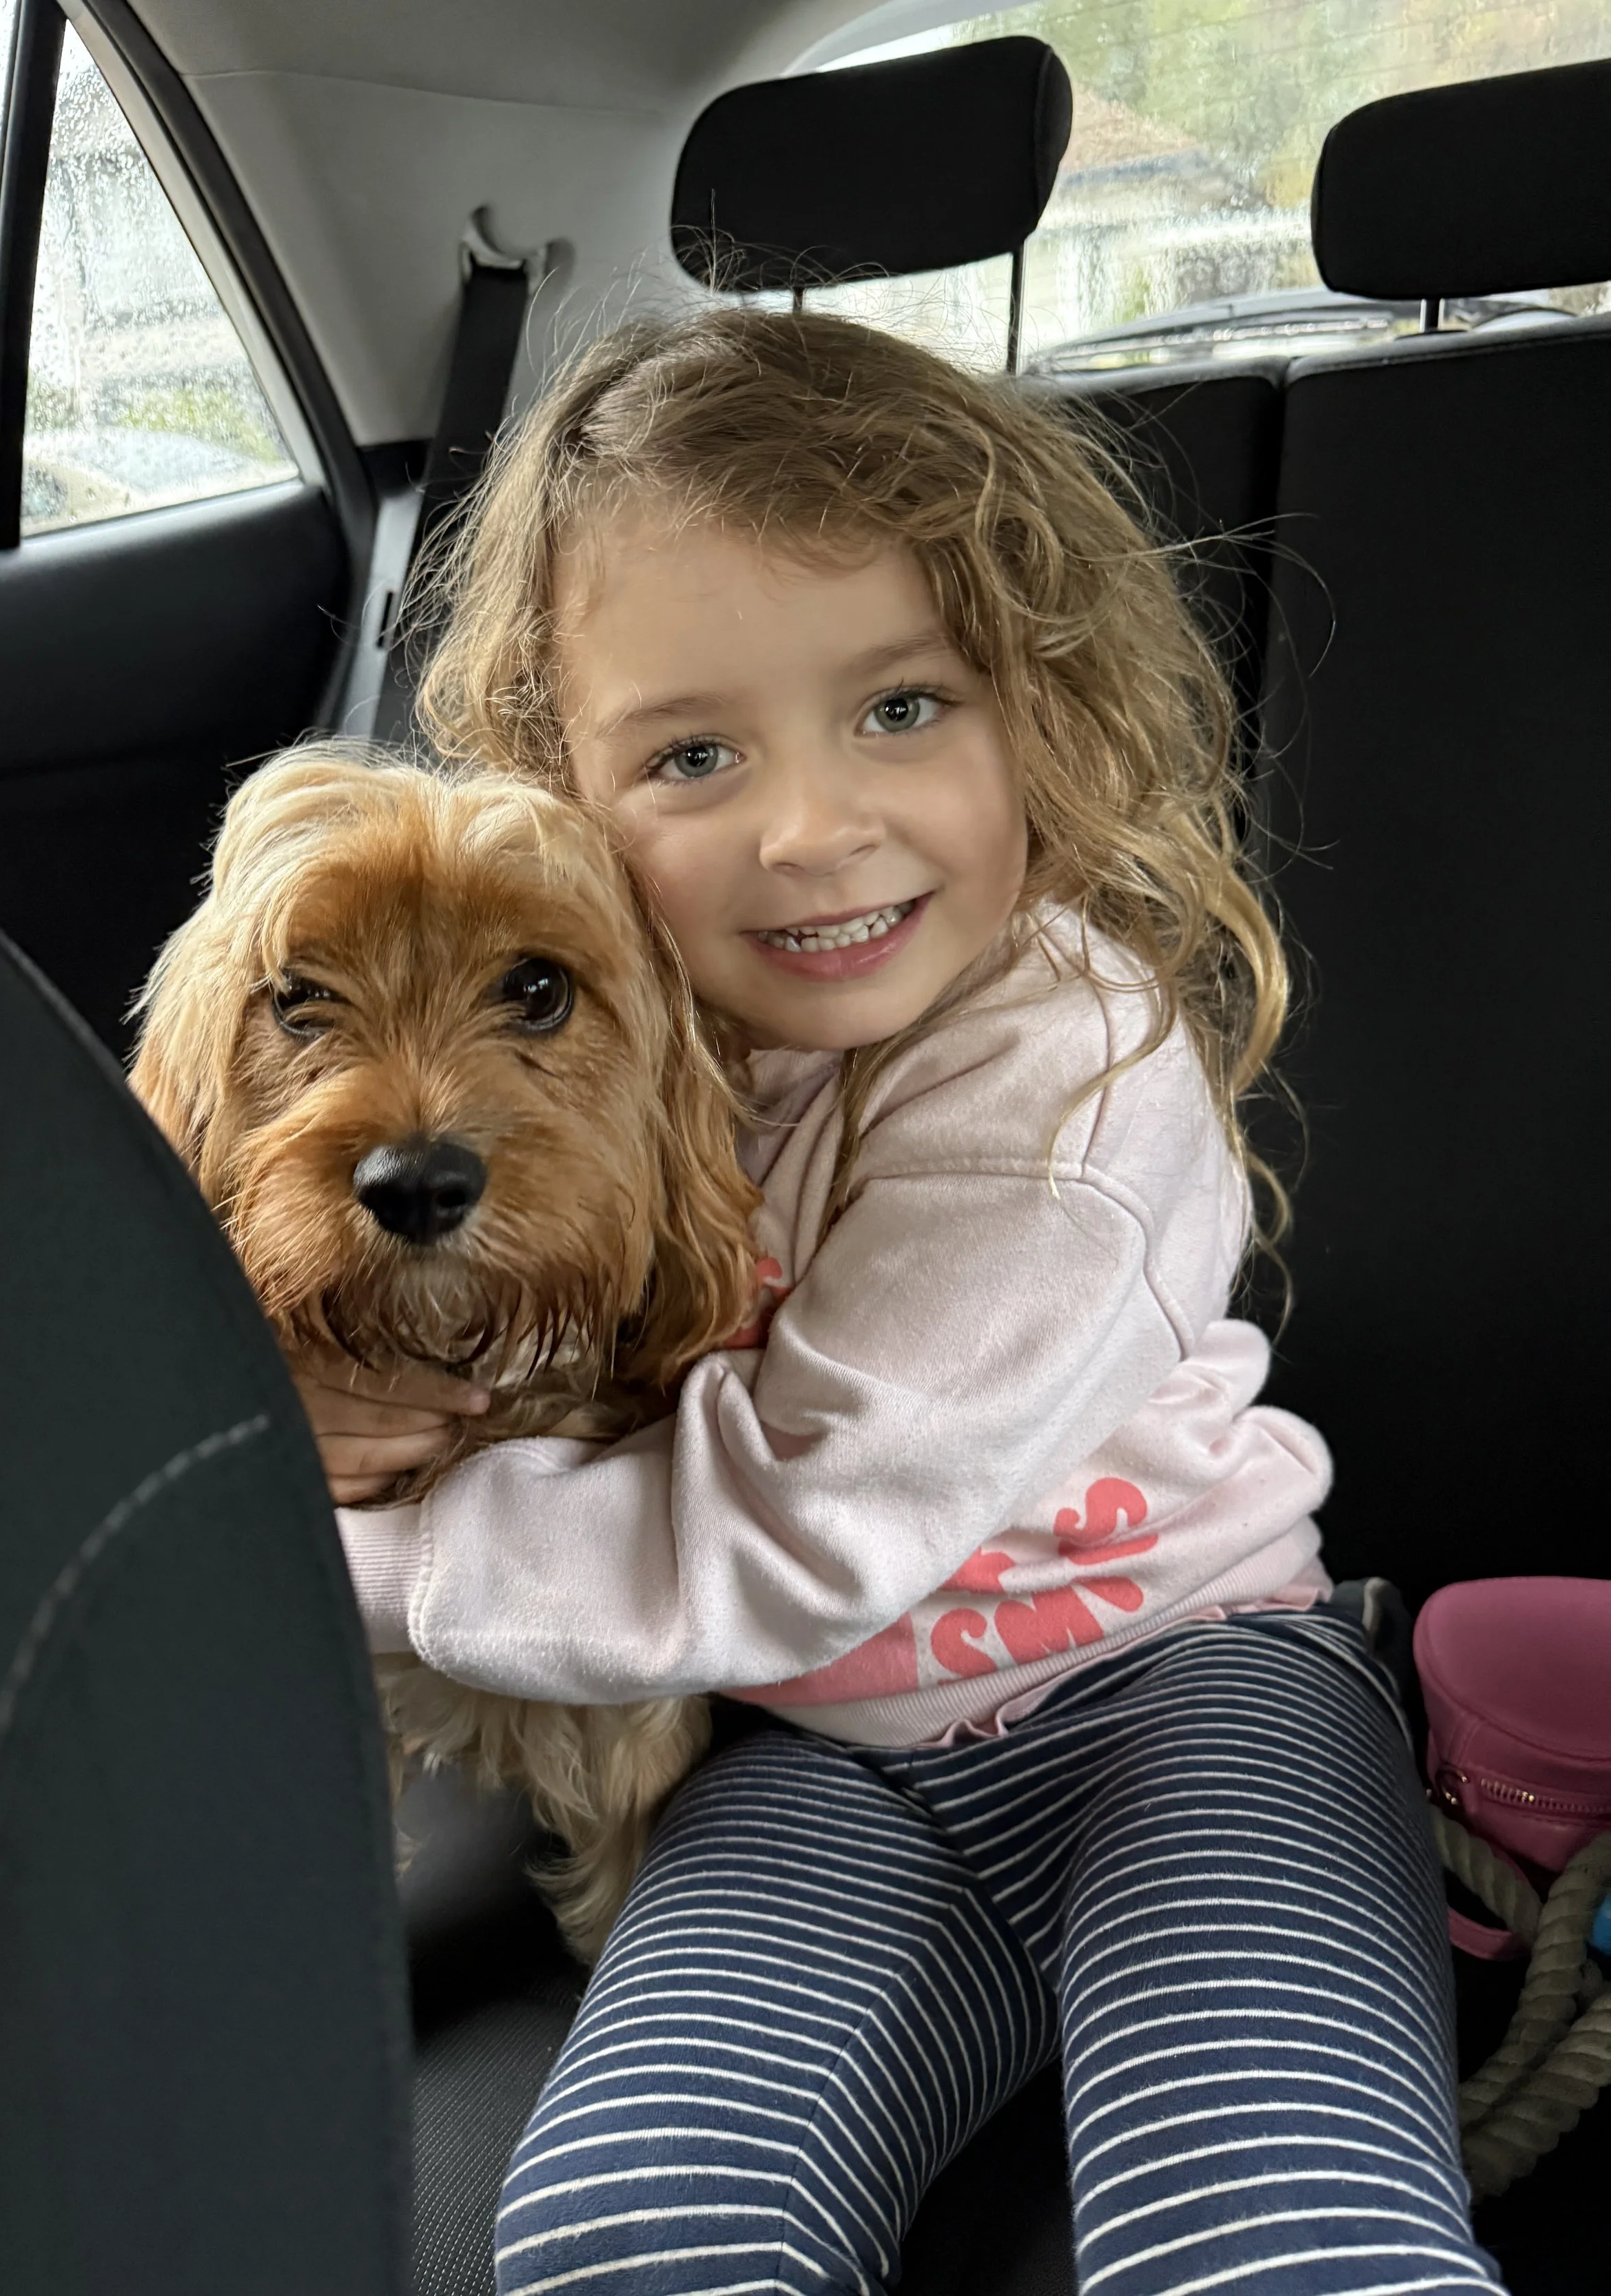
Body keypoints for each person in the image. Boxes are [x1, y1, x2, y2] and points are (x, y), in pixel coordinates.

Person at [299, 310, 1501, 2295]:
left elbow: (788, 1527)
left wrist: (357, 1539)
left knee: (1277, 2231)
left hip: (1178, 1691)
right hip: (812, 1762)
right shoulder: (615, 1035)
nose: (805, 827)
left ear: (1039, 703)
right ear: (562, 786)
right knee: (628, 2231)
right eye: (691, 753)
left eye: (900, 708)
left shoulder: (1063, 1078)